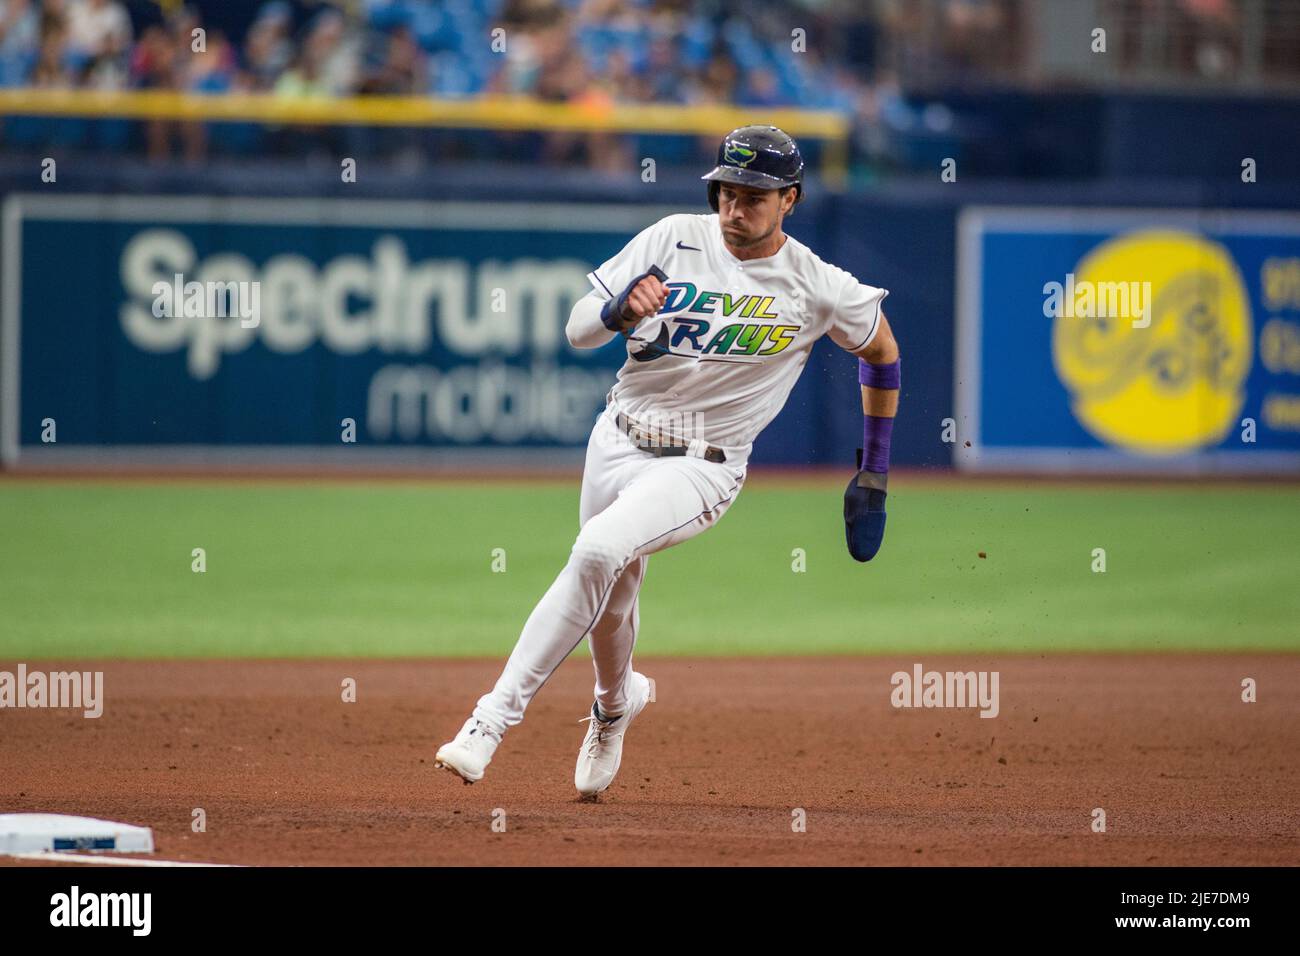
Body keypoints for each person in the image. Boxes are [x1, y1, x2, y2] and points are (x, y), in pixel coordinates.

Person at [435, 125, 900, 797]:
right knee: (613, 603)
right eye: (727, 193)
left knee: (598, 550)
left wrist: (875, 470)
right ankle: (615, 707)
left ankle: (490, 720)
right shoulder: (673, 238)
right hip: (616, 438)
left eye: (754, 197)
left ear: (791, 200)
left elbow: (883, 352)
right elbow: (576, 328)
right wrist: (619, 310)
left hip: (704, 465)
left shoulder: (817, 285)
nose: (735, 210)